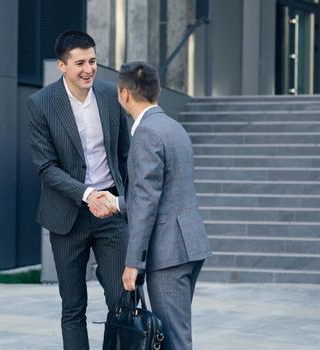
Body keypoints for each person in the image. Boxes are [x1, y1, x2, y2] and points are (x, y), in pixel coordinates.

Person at [27, 31, 130, 349]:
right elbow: (46, 167)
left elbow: (125, 154)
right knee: (73, 307)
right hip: (67, 214)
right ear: (61, 65)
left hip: (110, 211)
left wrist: (123, 202)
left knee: (122, 300)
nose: (88, 69)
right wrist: (87, 195)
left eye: (93, 61)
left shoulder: (111, 95)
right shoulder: (41, 104)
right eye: (80, 63)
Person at [99, 61, 212, 350]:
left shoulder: (146, 133)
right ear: (158, 91)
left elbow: (147, 200)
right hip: (187, 245)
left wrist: (132, 262)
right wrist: (118, 203)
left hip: (168, 252)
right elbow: (160, 192)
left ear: (123, 94)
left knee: (173, 339)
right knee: (176, 331)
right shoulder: (174, 128)